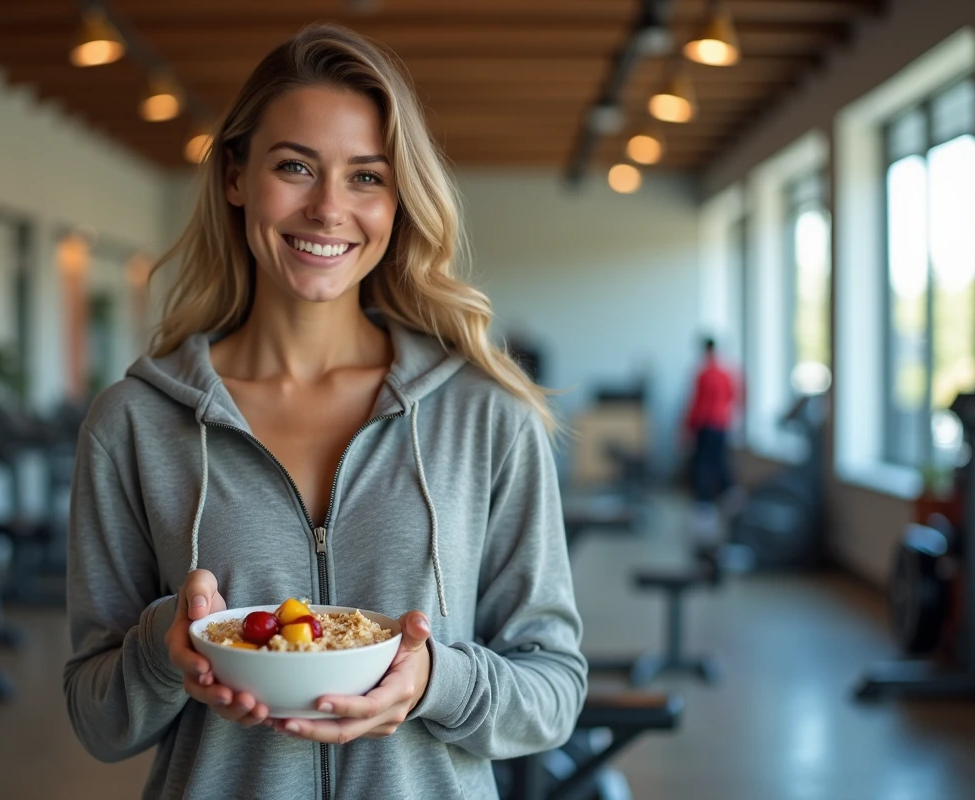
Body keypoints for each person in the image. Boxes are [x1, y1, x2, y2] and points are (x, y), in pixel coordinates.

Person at [62, 23, 588, 800]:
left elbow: (555, 691)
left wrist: (434, 681)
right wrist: (160, 649)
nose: (328, 208)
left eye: (366, 177)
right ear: (236, 176)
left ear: (399, 200)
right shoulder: (134, 424)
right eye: (295, 167)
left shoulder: (485, 415)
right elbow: (96, 717)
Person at [684, 337, 740, 529]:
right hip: (721, 424)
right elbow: (732, 397)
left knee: (703, 465)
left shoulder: (704, 374)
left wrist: (689, 427)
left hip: (705, 424)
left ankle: (704, 507)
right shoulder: (726, 373)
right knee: (719, 461)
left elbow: (697, 402)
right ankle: (729, 498)